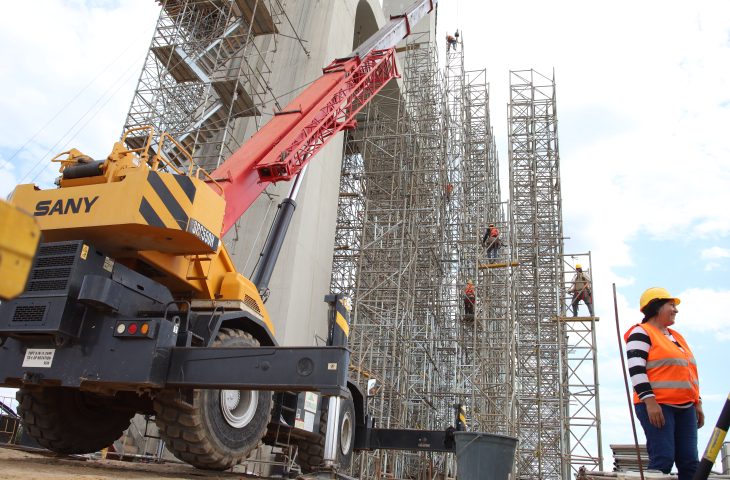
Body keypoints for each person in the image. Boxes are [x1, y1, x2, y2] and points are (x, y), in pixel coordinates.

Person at [624, 287, 704, 480]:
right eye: (671, 305)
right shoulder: (641, 332)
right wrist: (650, 402)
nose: (676, 310)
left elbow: (688, 373)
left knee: (690, 462)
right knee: (663, 460)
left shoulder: (677, 337)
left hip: (686, 407)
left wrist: (697, 403)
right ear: (656, 307)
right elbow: (636, 370)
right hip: (658, 406)